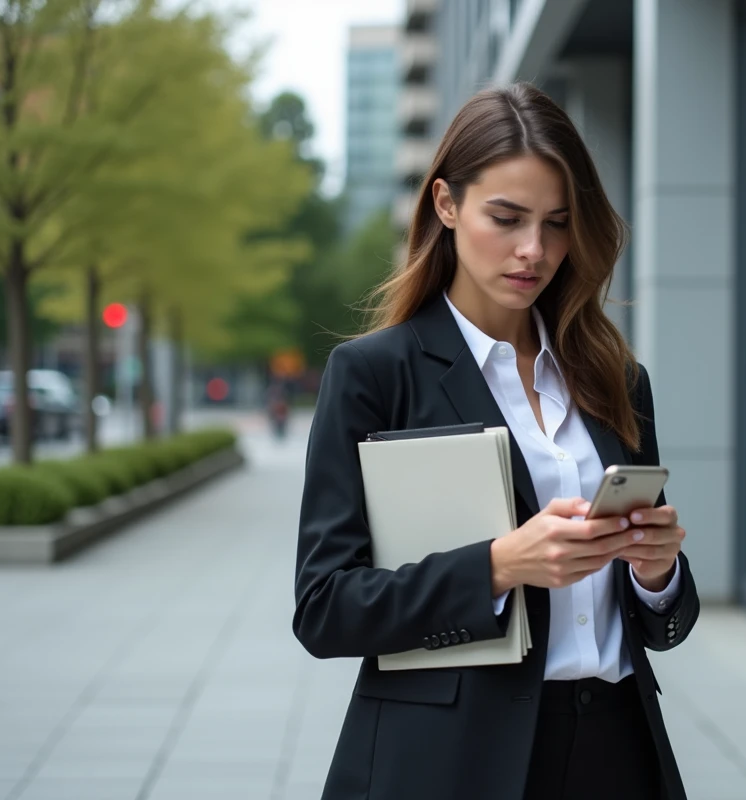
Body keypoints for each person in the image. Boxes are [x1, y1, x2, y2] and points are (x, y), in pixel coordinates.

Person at [293, 82, 700, 800]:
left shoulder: (614, 377)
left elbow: (664, 622)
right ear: (447, 204)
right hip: (454, 760)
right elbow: (325, 607)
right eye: (506, 218)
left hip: (616, 748)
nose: (533, 250)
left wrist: (656, 573)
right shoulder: (374, 376)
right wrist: (497, 566)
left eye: (557, 223)